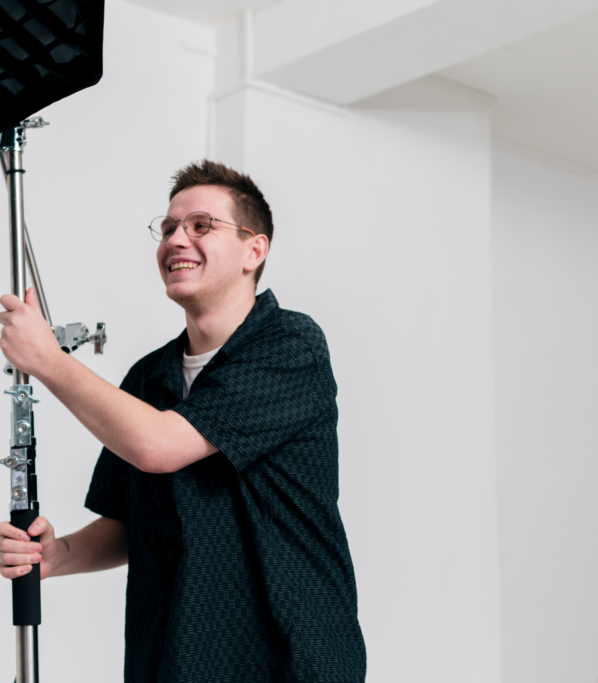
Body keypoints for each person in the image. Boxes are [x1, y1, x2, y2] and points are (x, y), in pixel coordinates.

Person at [0, 160, 366, 682]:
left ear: (253, 250)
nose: (177, 239)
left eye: (200, 225)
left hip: (286, 663)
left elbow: (161, 446)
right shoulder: (149, 378)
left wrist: (49, 360)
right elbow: (130, 525)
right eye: (168, 227)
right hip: (173, 661)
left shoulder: (289, 345)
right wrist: (56, 556)